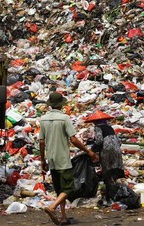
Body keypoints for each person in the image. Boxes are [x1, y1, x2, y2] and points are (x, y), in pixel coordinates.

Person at [40, 92, 98, 225]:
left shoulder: (43, 119)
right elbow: (73, 139)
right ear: (61, 105)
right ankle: (52, 207)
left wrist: (43, 160)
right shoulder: (64, 119)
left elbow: (42, 142)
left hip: (52, 159)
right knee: (69, 188)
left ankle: (64, 217)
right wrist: (88, 151)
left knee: (60, 189)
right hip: (63, 159)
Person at [84, 110, 124, 202]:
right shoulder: (110, 127)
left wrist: (91, 151)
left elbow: (99, 141)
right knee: (115, 171)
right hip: (117, 150)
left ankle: (111, 196)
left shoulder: (98, 128)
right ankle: (117, 194)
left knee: (108, 172)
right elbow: (118, 140)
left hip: (107, 151)